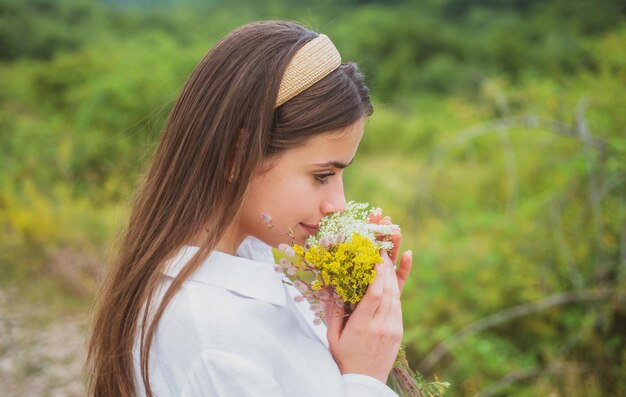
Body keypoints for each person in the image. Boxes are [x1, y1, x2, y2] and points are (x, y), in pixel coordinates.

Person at [86, 20, 414, 397]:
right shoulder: (212, 340)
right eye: (322, 175)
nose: (337, 205)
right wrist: (366, 379)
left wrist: (352, 324)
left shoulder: (254, 259)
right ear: (239, 157)